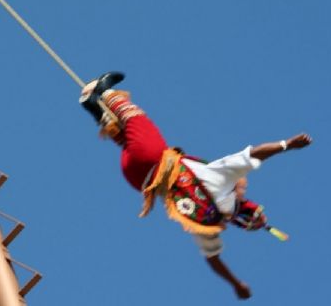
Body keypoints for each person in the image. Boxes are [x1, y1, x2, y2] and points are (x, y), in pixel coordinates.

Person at [79, 72, 312, 299]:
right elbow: (213, 260)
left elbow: (254, 154)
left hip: (152, 158)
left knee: (136, 119)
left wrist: (287, 144)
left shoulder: (224, 179)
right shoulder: (209, 223)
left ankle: (105, 90)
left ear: (239, 199)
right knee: (125, 134)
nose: (244, 188)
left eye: (243, 191)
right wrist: (235, 284)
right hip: (137, 178)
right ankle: (94, 106)